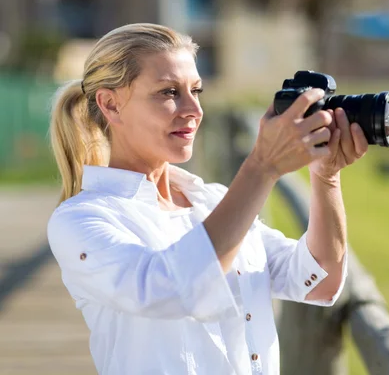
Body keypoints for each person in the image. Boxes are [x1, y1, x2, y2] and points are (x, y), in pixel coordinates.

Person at [47, 23, 369, 375]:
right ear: (111, 104)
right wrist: (261, 166)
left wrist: (325, 175)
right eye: (169, 92)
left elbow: (318, 281)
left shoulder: (214, 202)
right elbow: (167, 290)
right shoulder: (79, 220)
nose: (193, 109)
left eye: (196, 90)